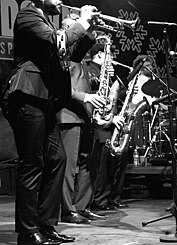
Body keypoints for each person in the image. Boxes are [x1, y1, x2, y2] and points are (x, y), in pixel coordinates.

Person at [1, 0, 100, 245]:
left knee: (56, 160)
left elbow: (72, 55)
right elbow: (55, 41)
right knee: (33, 163)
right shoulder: (28, 16)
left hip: (45, 101)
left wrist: (88, 29)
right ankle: (27, 231)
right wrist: (81, 23)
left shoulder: (47, 20)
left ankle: (46, 226)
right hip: (28, 96)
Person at [57, 16, 106, 224]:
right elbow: (64, 90)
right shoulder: (62, 56)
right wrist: (87, 97)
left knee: (88, 163)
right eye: (73, 28)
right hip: (69, 117)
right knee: (68, 167)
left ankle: (82, 206)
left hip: (85, 116)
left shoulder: (78, 59)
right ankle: (67, 210)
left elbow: (84, 43)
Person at [87, 44, 129, 211]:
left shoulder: (108, 73)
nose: (111, 59)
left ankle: (113, 197)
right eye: (109, 55)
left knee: (120, 157)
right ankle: (100, 200)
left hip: (111, 120)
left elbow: (112, 98)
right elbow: (92, 92)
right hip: (98, 123)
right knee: (103, 163)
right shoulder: (89, 69)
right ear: (99, 54)